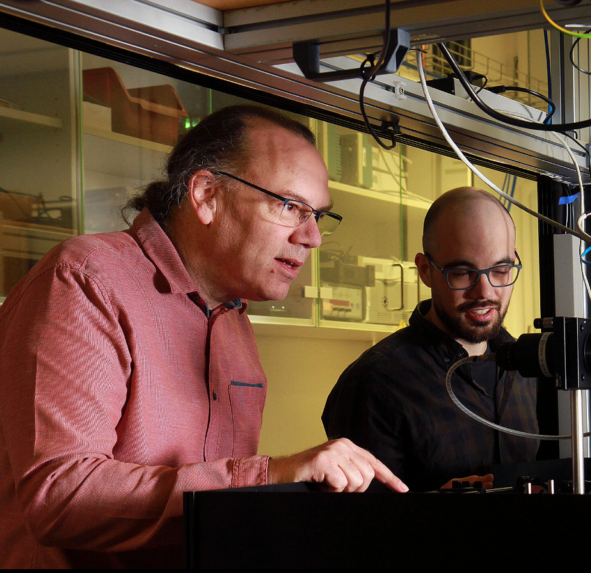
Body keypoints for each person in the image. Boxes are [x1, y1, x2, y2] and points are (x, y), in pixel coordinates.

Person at [0, 105, 406, 569]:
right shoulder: (85, 278)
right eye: (291, 207)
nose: (312, 237)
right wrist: (271, 475)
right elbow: (61, 498)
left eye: (318, 216)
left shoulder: (233, 318)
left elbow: (214, 509)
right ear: (207, 194)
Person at [322, 187, 538, 492]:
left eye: (501, 270)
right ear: (425, 270)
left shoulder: (525, 367)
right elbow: (356, 529)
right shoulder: (375, 382)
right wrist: (432, 509)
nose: (486, 292)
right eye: (463, 273)